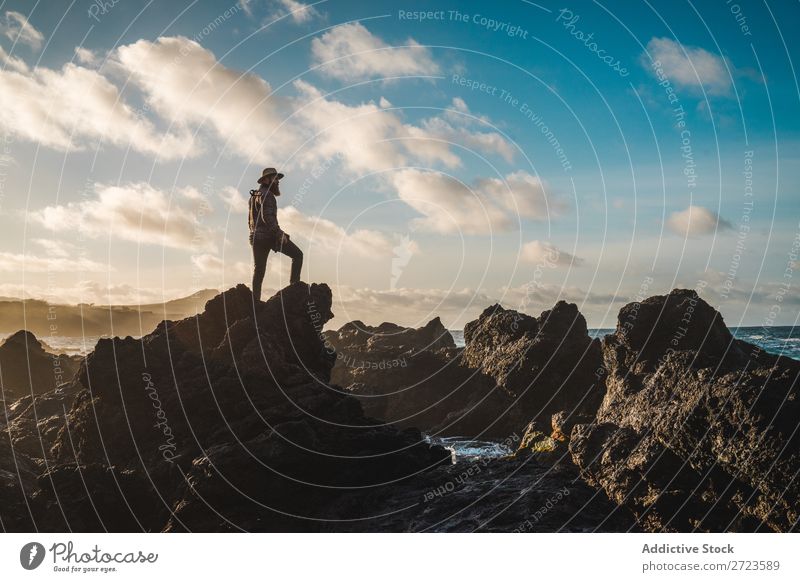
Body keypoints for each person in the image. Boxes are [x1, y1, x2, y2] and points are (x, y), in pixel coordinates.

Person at [248, 167, 303, 301]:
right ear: (266, 180)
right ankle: (294, 288)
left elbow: (251, 221)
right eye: (275, 178)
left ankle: (255, 302)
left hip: (256, 238)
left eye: (278, 179)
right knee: (298, 255)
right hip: (269, 236)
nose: (278, 181)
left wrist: (254, 235)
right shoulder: (268, 195)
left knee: (259, 270)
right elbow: (268, 217)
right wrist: (279, 234)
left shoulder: (255, 196)